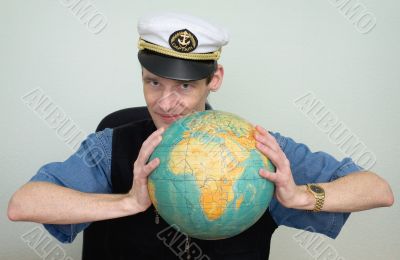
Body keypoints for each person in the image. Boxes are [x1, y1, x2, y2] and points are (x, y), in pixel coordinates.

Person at [8, 12, 394, 260]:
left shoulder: (258, 149)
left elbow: (378, 190)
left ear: (215, 80)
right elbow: (23, 204)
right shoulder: (113, 145)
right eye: (153, 82)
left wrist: (298, 196)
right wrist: (127, 202)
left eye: (186, 87)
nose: (166, 102)